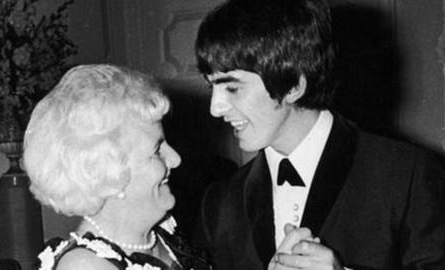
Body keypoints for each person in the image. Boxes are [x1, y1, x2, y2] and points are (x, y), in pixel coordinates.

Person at [193, 0, 445, 269]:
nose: (215, 109)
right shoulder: (219, 203)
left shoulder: (409, 175)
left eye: (232, 88)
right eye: (212, 88)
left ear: (293, 86)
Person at [23, 64, 210, 270]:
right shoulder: (85, 267)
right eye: (157, 150)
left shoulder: (166, 238)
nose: (175, 159)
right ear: (108, 173)